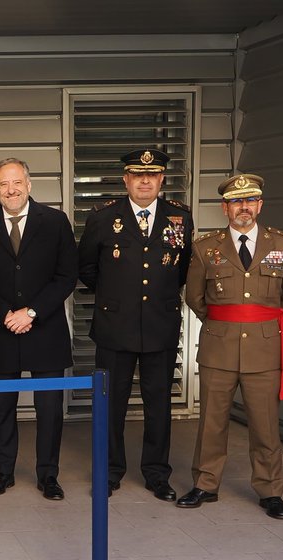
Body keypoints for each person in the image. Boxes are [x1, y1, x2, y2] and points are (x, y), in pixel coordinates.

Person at [180, 173, 283, 520]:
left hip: (264, 349)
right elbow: (195, 297)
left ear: (259, 205)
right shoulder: (205, 248)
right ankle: (205, 484)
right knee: (212, 422)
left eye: (249, 200)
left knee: (265, 425)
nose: (243, 207)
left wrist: (255, 321)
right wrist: (227, 322)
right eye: (236, 201)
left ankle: (271, 490)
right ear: (225, 208)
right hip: (219, 347)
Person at [78, 149, 194, 501]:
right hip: (115, 325)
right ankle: (110, 471)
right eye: (138, 175)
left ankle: (157, 473)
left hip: (160, 324)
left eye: (152, 175)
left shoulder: (180, 217)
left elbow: (182, 268)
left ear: (162, 179)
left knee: (158, 404)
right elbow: (87, 268)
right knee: (111, 403)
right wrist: (117, 297)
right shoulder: (103, 217)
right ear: (126, 179)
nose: (145, 181)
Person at [0, 158, 78, 500]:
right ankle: (3, 472)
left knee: (49, 408)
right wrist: (5, 314)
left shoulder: (55, 222)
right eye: (3, 184)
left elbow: (66, 276)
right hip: (2, 329)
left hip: (46, 329)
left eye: (16, 183)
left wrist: (31, 312)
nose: (10, 190)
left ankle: (48, 475)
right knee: (2, 407)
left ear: (29, 185)